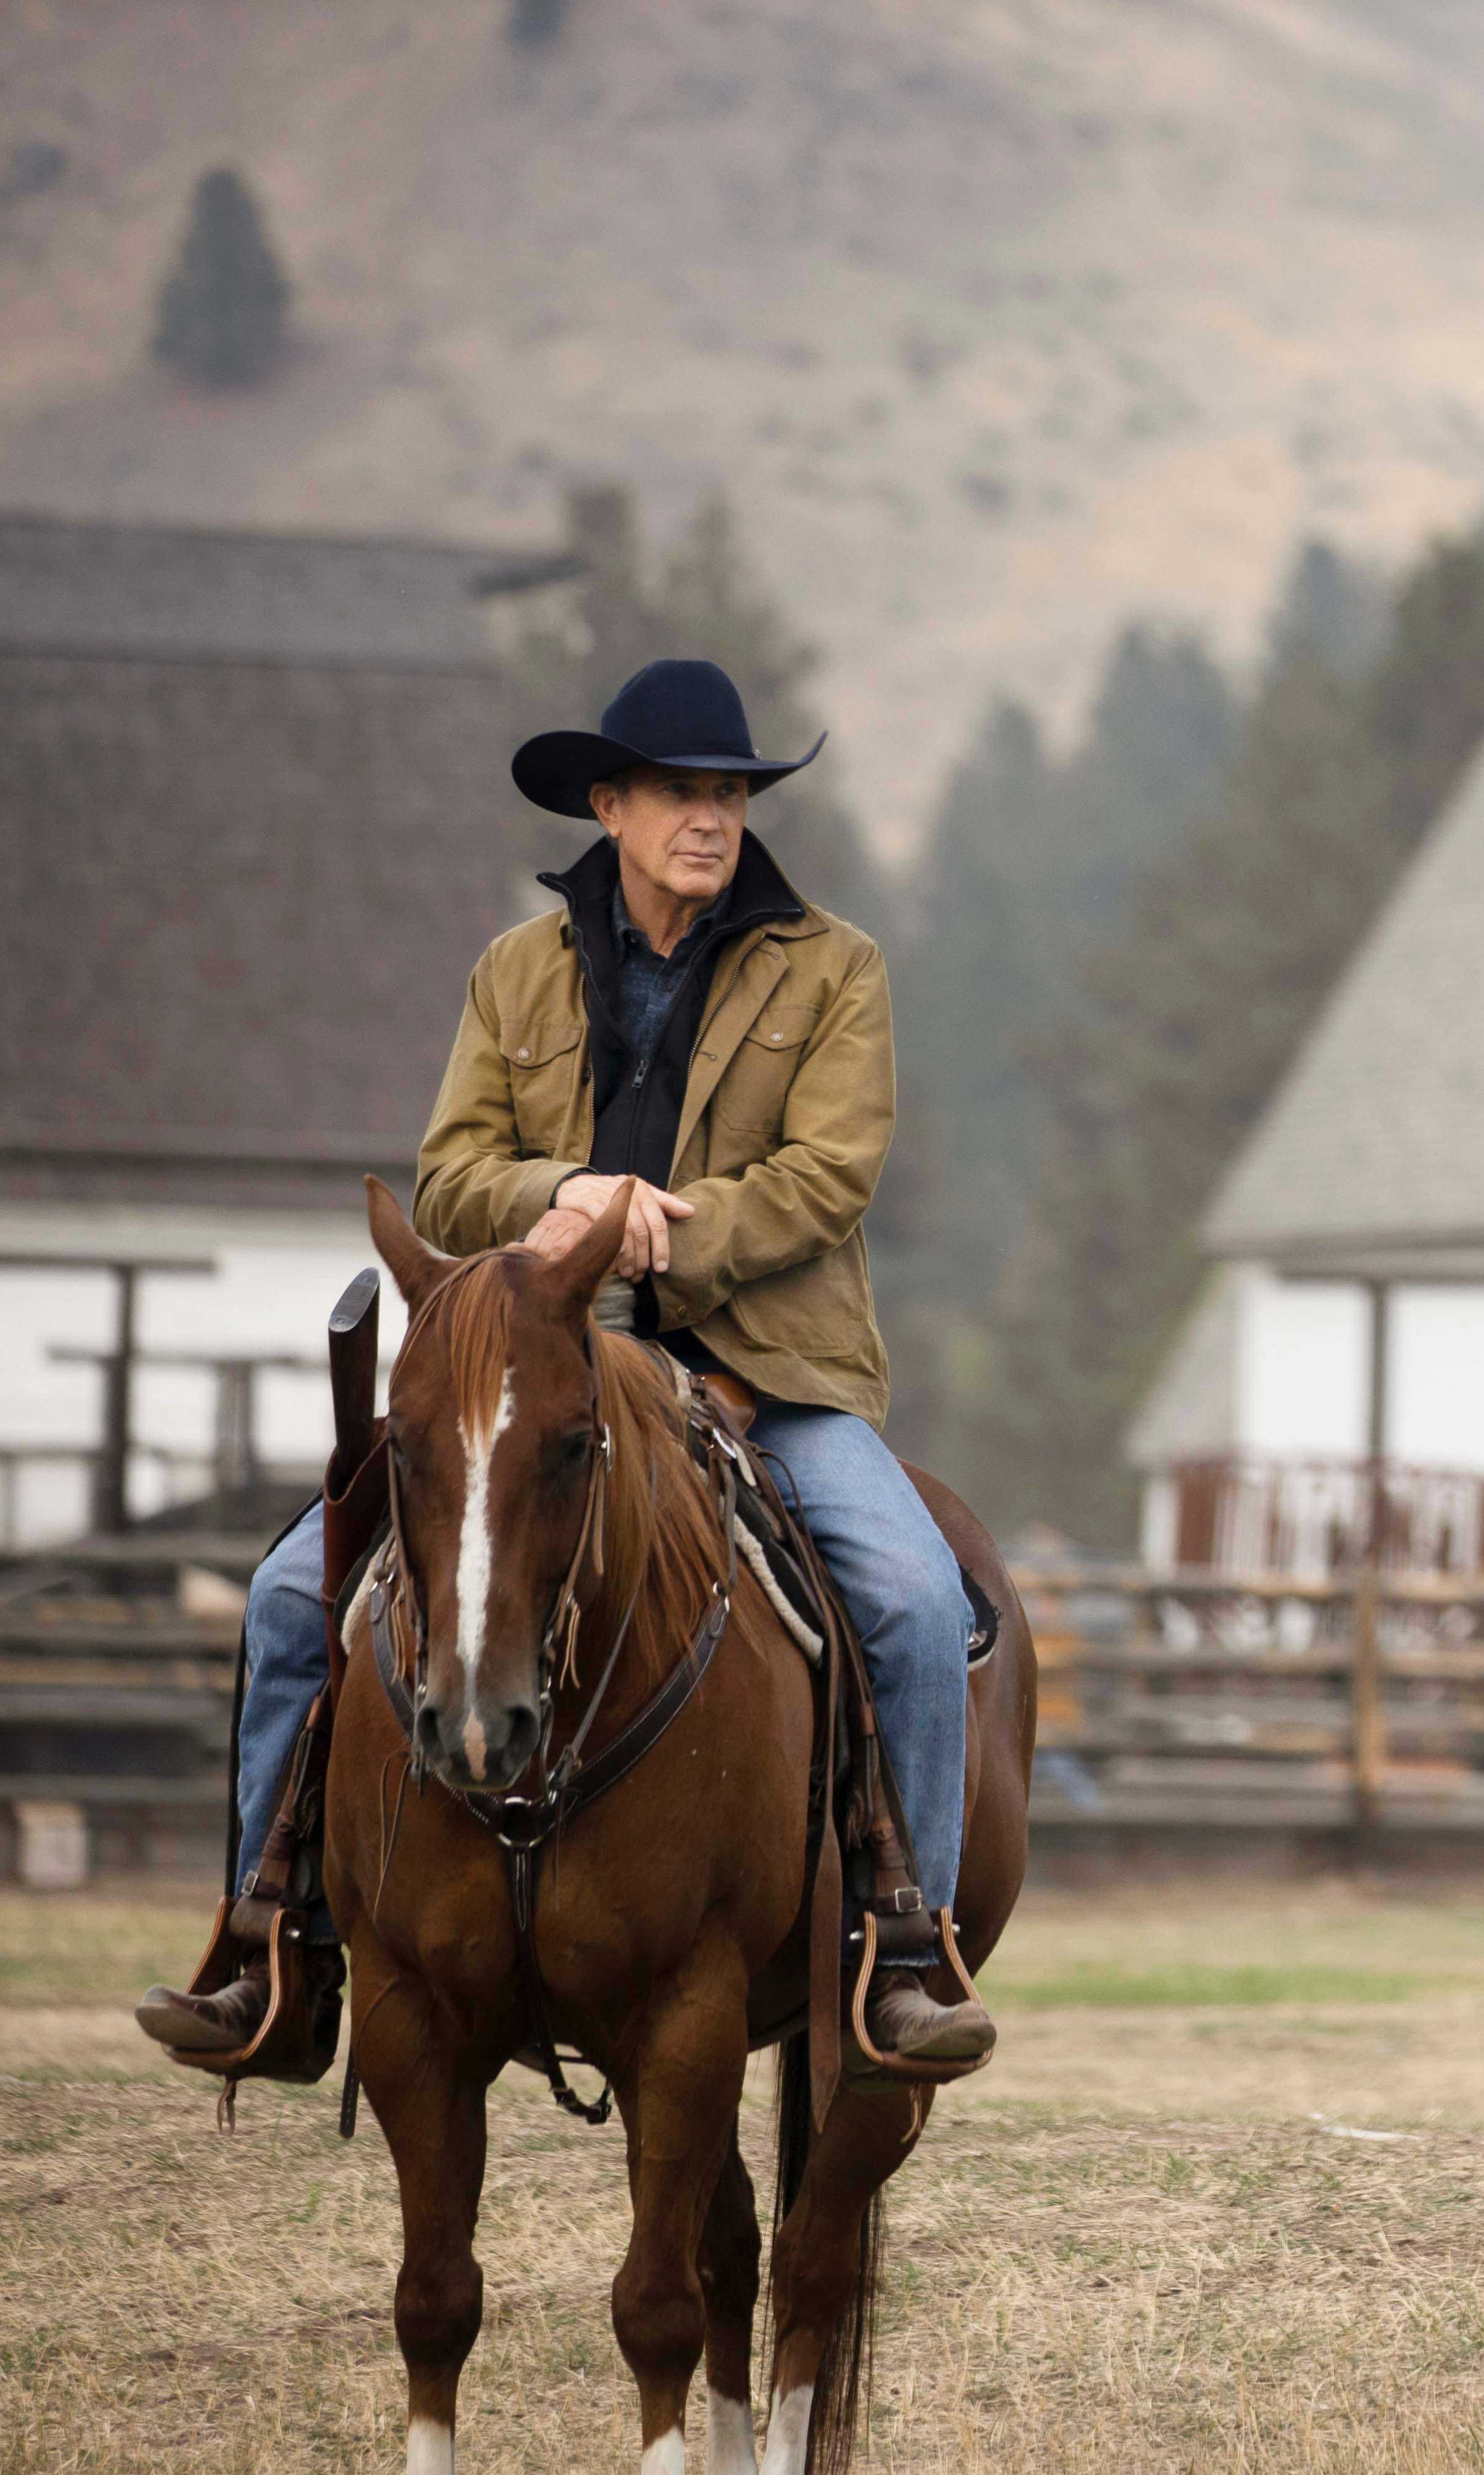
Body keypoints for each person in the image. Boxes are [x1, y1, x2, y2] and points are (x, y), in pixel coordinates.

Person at [139, 657, 993, 2064]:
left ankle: (907, 1944)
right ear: (609, 803)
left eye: (728, 794)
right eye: (677, 792)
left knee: (907, 1597)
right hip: (541, 1372)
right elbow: (452, 1174)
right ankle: (273, 1946)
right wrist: (569, 1199)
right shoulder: (515, 971)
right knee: (293, 1594)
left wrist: (666, 1227)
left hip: (764, 1374)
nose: (708, 819)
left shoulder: (835, 968)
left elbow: (830, 1175)